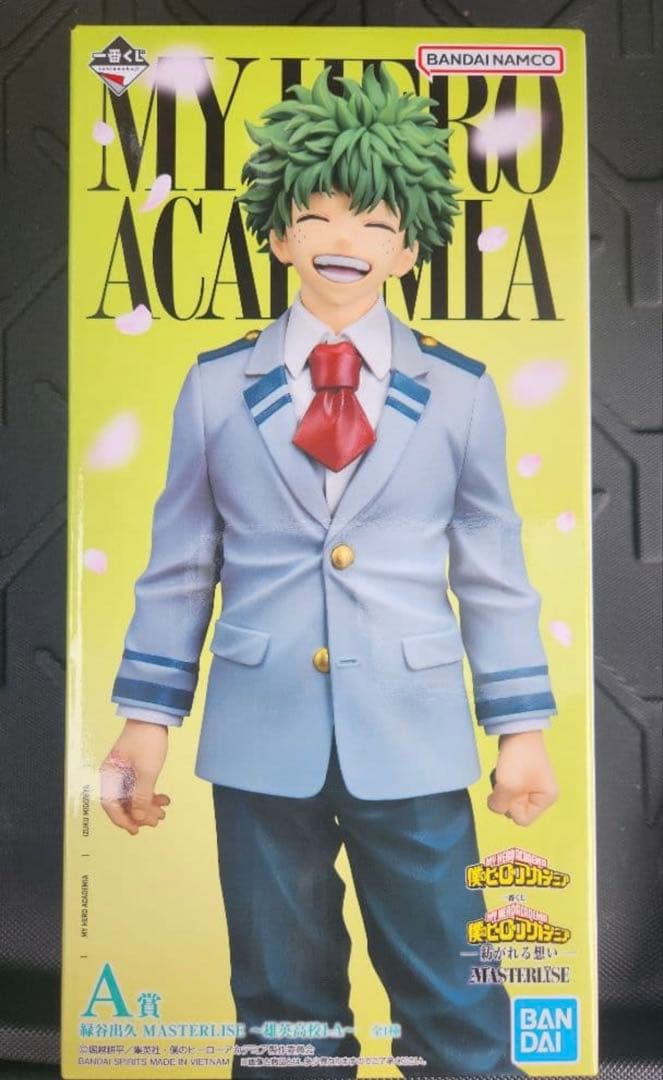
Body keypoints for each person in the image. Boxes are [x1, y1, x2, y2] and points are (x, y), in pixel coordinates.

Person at [101, 64, 558, 1077]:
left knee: (456, 991)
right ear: (276, 234)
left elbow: (492, 570)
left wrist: (520, 729)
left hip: (415, 732)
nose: (343, 241)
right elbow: (181, 564)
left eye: (376, 222)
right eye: (315, 216)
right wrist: (145, 721)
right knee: (281, 1006)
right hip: (260, 734)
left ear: (410, 246)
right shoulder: (216, 387)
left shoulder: (460, 393)